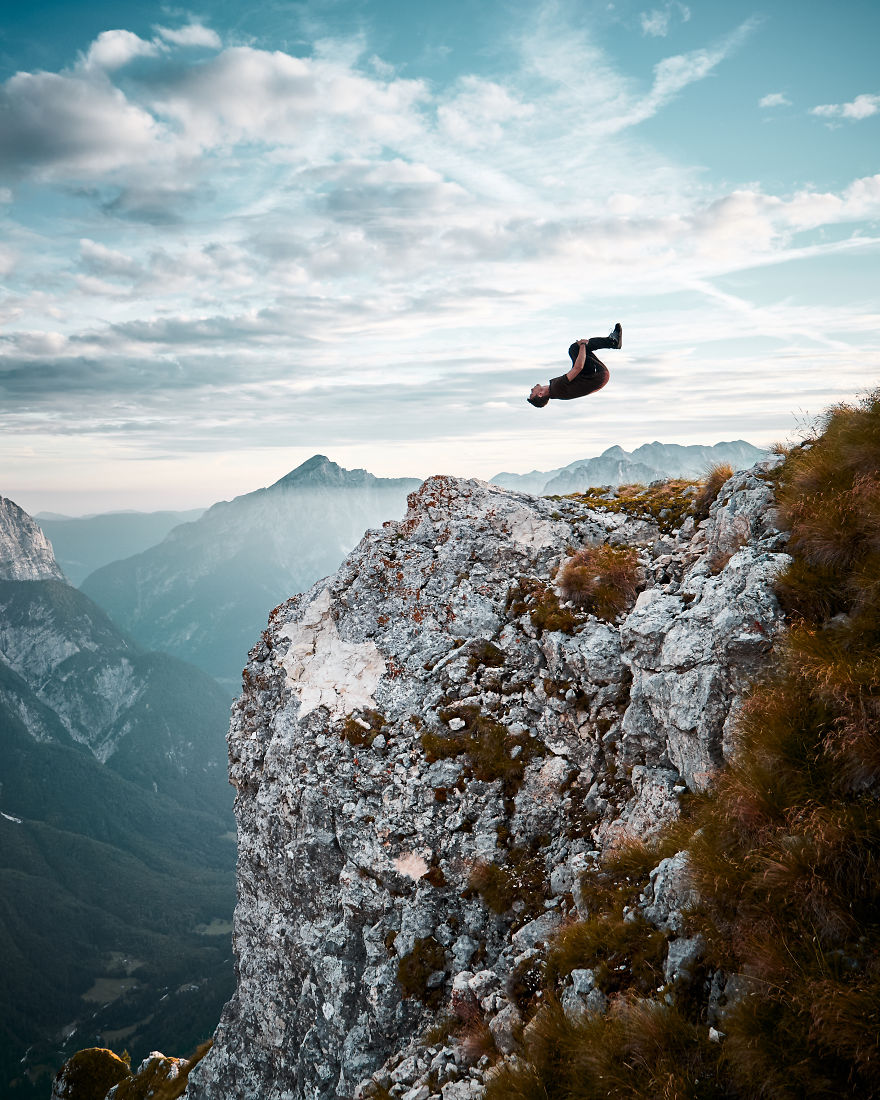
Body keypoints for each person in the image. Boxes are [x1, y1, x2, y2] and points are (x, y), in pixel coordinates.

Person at [527, 323, 622, 408]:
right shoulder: (557, 387)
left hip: (593, 376)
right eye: (532, 393)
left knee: (576, 349)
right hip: (597, 375)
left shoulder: (556, 391)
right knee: (576, 348)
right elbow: (578, 368)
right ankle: (612, 342)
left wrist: (582, 347)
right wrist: (582, 345)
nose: (532, 389)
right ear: (540, 394)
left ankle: (612, 341)